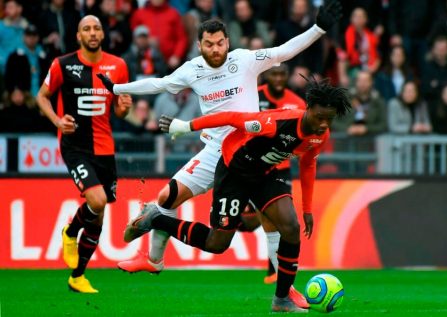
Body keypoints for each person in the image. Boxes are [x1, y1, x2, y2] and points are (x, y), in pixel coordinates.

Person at [97, 0, 342, 307]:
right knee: (167, 198)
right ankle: (154, 260)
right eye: (209, 44)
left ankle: (286, 291)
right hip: (218, 149)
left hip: (257, 143)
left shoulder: (245, 60)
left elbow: (284, 51)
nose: (216, 49)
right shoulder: (191, 70)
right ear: (199, 45)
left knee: (278, 222)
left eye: (220, 43)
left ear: (228, 41)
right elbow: (158, 84)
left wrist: (318, 28)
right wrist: (118, 90)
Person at [128, 77, 351, 312]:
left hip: (264, 174)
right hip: (233, 171)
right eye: (319, 117)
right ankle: (156, 218)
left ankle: (282, 299)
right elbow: (231, 118)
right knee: (217, 243)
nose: (324, 124)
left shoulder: (319, 135)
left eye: (329, 119)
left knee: (291, 227)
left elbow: (307, 165)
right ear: (308, 110)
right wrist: (186, 126)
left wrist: (307, 210)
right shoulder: (276, 122)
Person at [36, 15, 132, 293]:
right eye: (87, 29)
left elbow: (119, 109)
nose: (92, 32)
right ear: (78, 36)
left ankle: (77, 276)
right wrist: (57, 121)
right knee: (98, 200)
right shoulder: (62, 64)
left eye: (97, 28)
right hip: (75, 146)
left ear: (103, 34)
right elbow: (42, 96)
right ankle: (69, 231)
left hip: (105, 147)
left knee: (98, 217)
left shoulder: (119, 66)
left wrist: (124, 109)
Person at [251, 63, 307, 285]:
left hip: (280, 170)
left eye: (282, 74)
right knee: (250, 222)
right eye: (274, 74)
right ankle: (273, 269)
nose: (278, 78)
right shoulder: (254, 97)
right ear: (267, 75)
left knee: (283, 221)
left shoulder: (297, 102)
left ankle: (273, 271)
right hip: (252, 167)